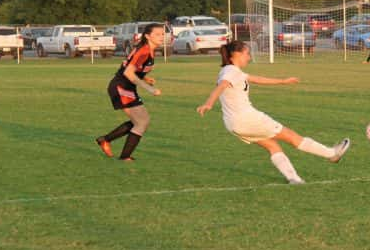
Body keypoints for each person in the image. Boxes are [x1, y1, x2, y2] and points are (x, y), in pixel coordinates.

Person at [197, 41, 350, 184]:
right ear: (236, 54)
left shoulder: (232, 71)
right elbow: (222, 86)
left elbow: (256, 79)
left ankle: (294, 179)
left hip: (232, 124)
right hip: (248, 119)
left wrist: (282, 81)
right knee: (292, 138)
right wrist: (208, 103)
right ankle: (331, 154)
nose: (249, 57)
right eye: (247, 54)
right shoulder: (230, 71)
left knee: (272, 146)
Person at [96, 23, 164, 160]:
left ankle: (105, 140)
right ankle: (124, 156)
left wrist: (145, 78)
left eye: (163, 34)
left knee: (142, 121)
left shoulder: (148, 50)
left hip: (127, 87)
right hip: (121, 87)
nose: (162, 37)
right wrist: (150, 89)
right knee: (141, 122)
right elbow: (128, 72)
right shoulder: (144, 50)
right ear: (147, 36)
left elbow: (132, 68)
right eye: (157, 34)